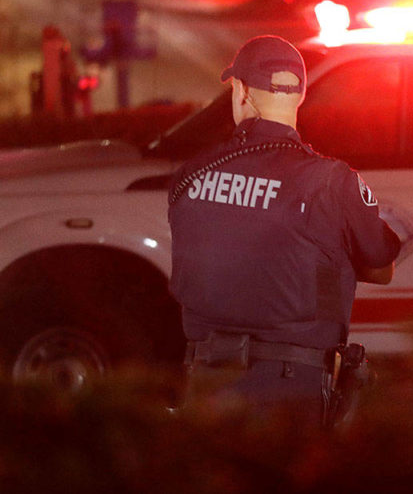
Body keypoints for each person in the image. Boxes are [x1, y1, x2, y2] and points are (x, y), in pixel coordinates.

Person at [168, 35, 400, 428]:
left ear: (241, 91)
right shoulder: (331, 181)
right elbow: (381, 264)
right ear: (300, 95)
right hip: (295, 392)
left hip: (207, 381)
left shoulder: (192, 173)